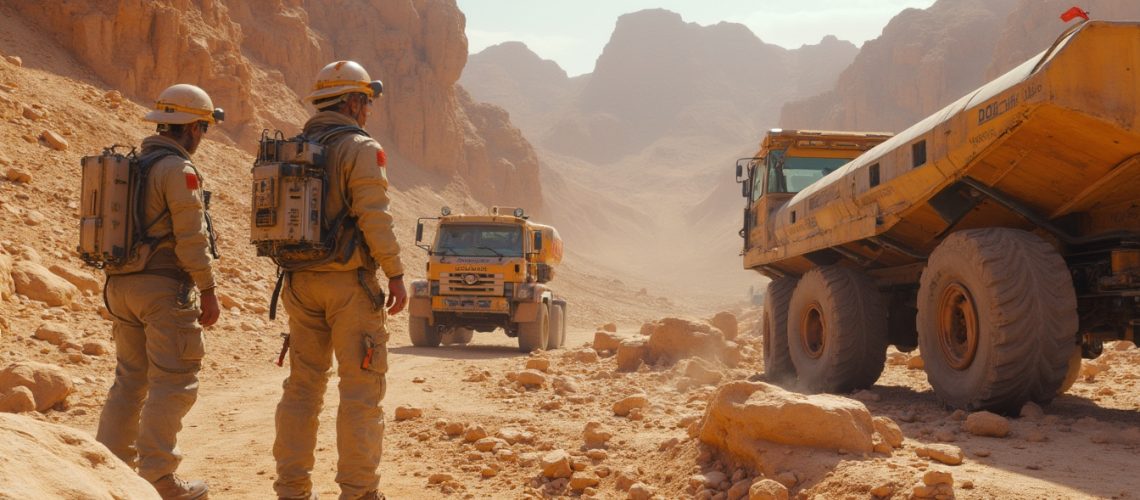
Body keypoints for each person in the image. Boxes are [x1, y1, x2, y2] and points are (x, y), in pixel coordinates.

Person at [273, 60, 407, 500]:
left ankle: (292, 490)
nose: (367, 111)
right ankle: (359, 491)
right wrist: (396, 272)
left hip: (298, 283)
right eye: (365, 102)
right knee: (360, 391)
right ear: (352, 101)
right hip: (349, 285)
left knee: (301, 389)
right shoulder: (359, 147)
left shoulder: (295, 146)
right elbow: (374, 215)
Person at [96, 83, 223, 500]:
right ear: (189, 128)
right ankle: (159, 478)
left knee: (129, 381)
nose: (202, 137)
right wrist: (207, 288)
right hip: (162, 289)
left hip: (119, 287)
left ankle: (109, 471)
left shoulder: (134, 164)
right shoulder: (178, 170)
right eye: (202, 128)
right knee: (175, 379)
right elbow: (191, 237)